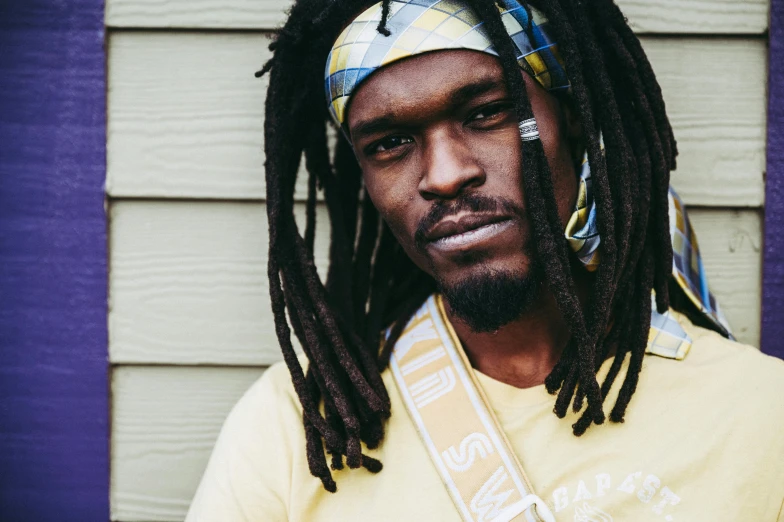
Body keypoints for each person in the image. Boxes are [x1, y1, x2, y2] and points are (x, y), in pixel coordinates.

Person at [186, 0, 784, 520]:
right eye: (389, 143)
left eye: (486, 113)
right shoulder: (299, 424)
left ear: (573, 117)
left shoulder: (761, 415)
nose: (445, 175)